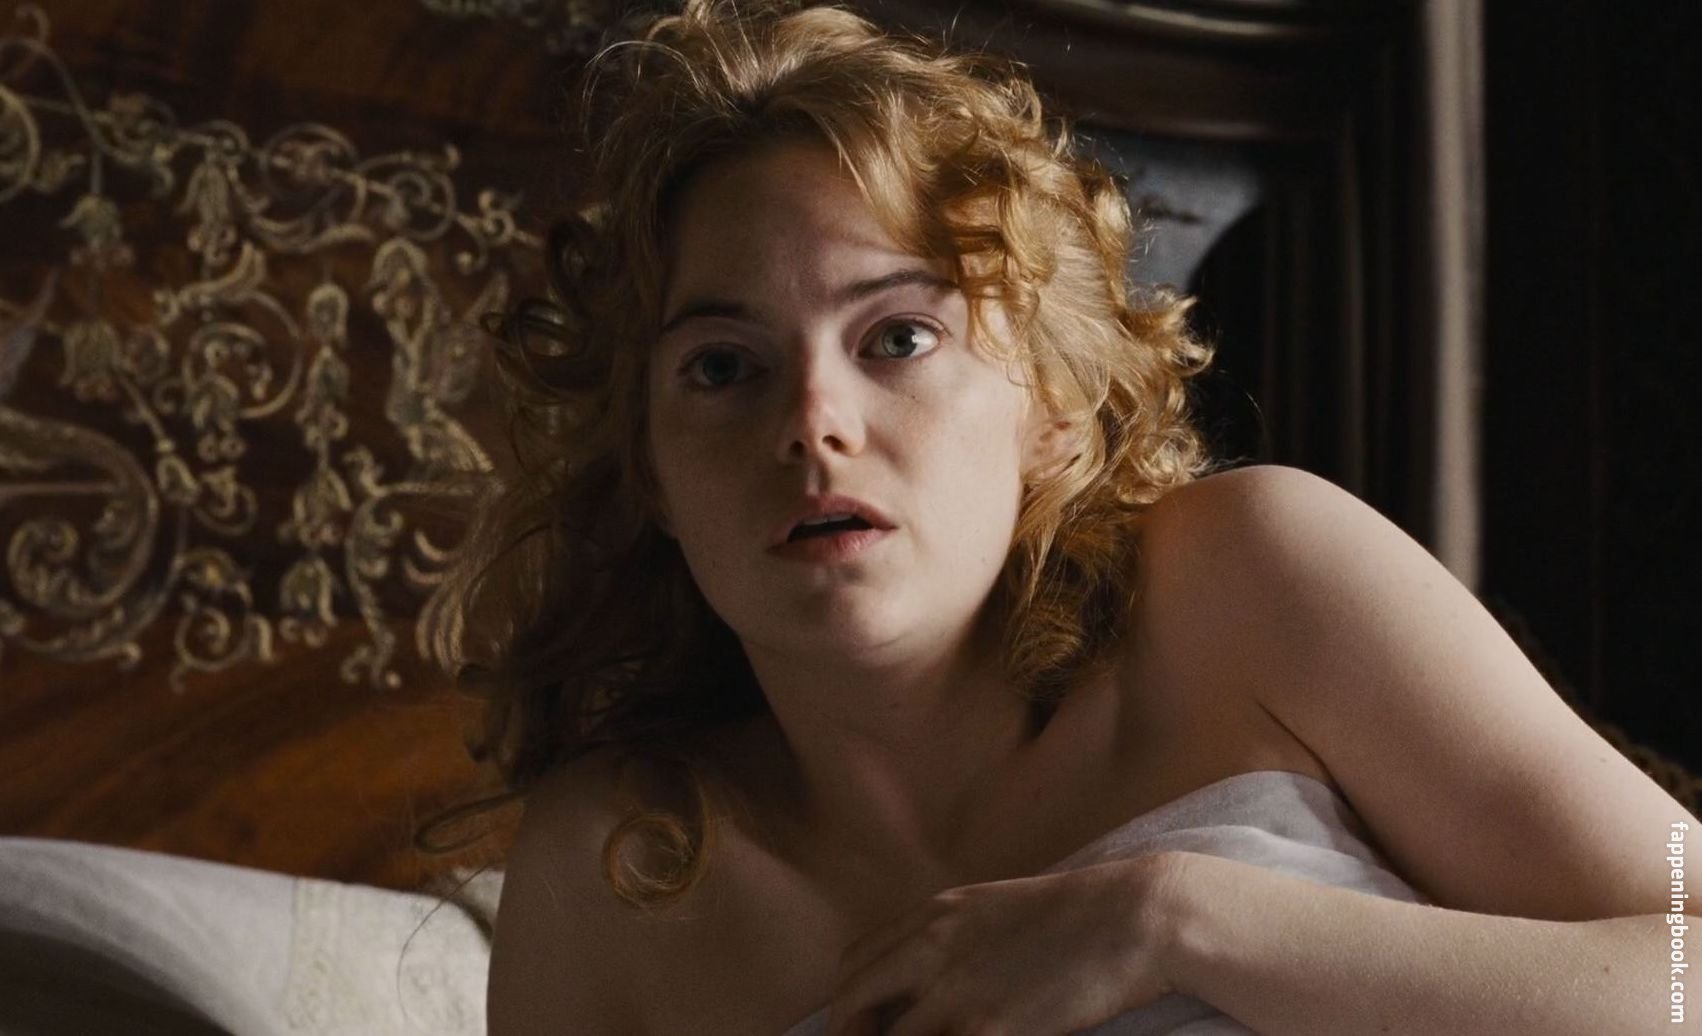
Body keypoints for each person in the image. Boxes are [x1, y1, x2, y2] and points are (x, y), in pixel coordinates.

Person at [421, 1, 1700, 1032]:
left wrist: (1175, 921)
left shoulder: (1252, 579)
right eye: (720, 366)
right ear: (649, 469)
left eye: (898, 336)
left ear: (1054, 410)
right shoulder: (621, 872)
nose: (810, 422)